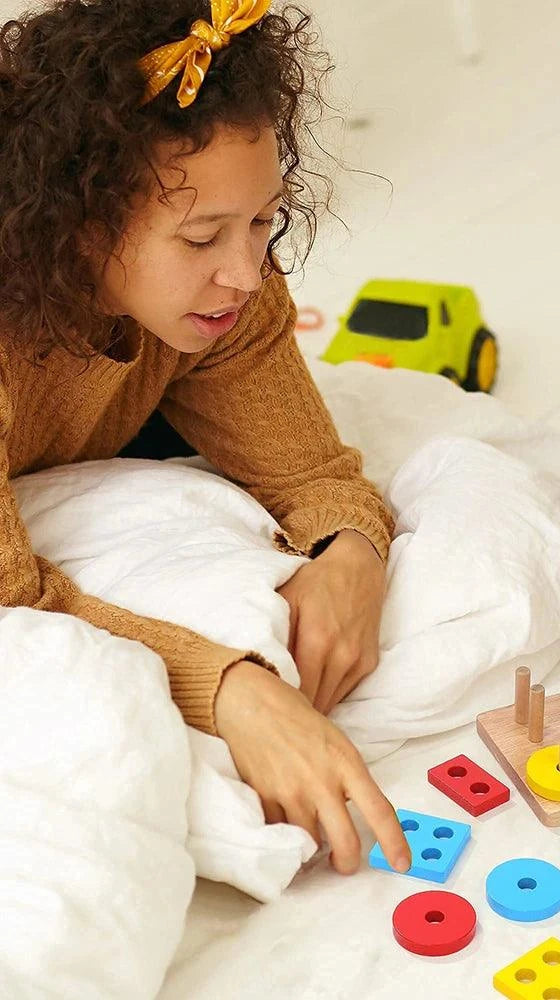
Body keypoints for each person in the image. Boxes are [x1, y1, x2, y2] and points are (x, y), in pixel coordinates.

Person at [0, 0, 411, 875]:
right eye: (200, 236)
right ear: (76, 223)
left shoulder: (230, 297)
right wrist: (232, 690)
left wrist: (351, 553)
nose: (247, 271)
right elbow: (11, 600)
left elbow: (313, 472)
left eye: (263, 220)